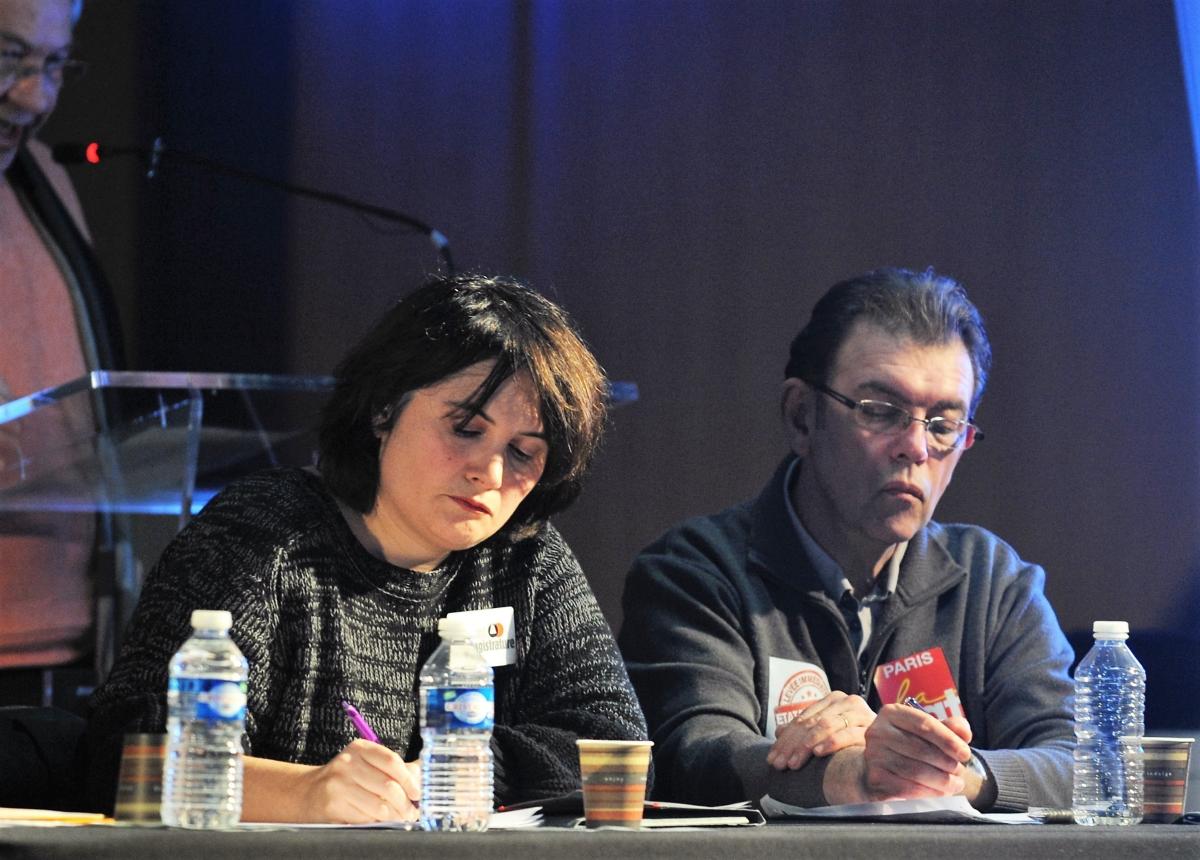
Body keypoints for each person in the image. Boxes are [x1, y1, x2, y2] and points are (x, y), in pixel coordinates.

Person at [87, 274, 648, 823]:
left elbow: (615, 753)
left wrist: (460, 768)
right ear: (384, 409)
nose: (491, 472)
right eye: (465, 429)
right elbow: (123, 759)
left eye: (523, 452)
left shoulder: (526, 557)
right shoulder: (266, 532)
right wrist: (305, 795)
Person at [620, 268, 1074, 812]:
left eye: (942, 424)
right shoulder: (696, 572)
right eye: (881, 412)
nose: (915, 448)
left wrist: (952, 774)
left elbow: (1086, 762)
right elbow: (695, 755)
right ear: (802, 417)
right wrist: (852, 775)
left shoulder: (994, 583)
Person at [0, 0, 124, 700]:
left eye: (52, 65)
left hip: (73, 647)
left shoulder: (43, 179)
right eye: (7, 58)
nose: (34, 97)